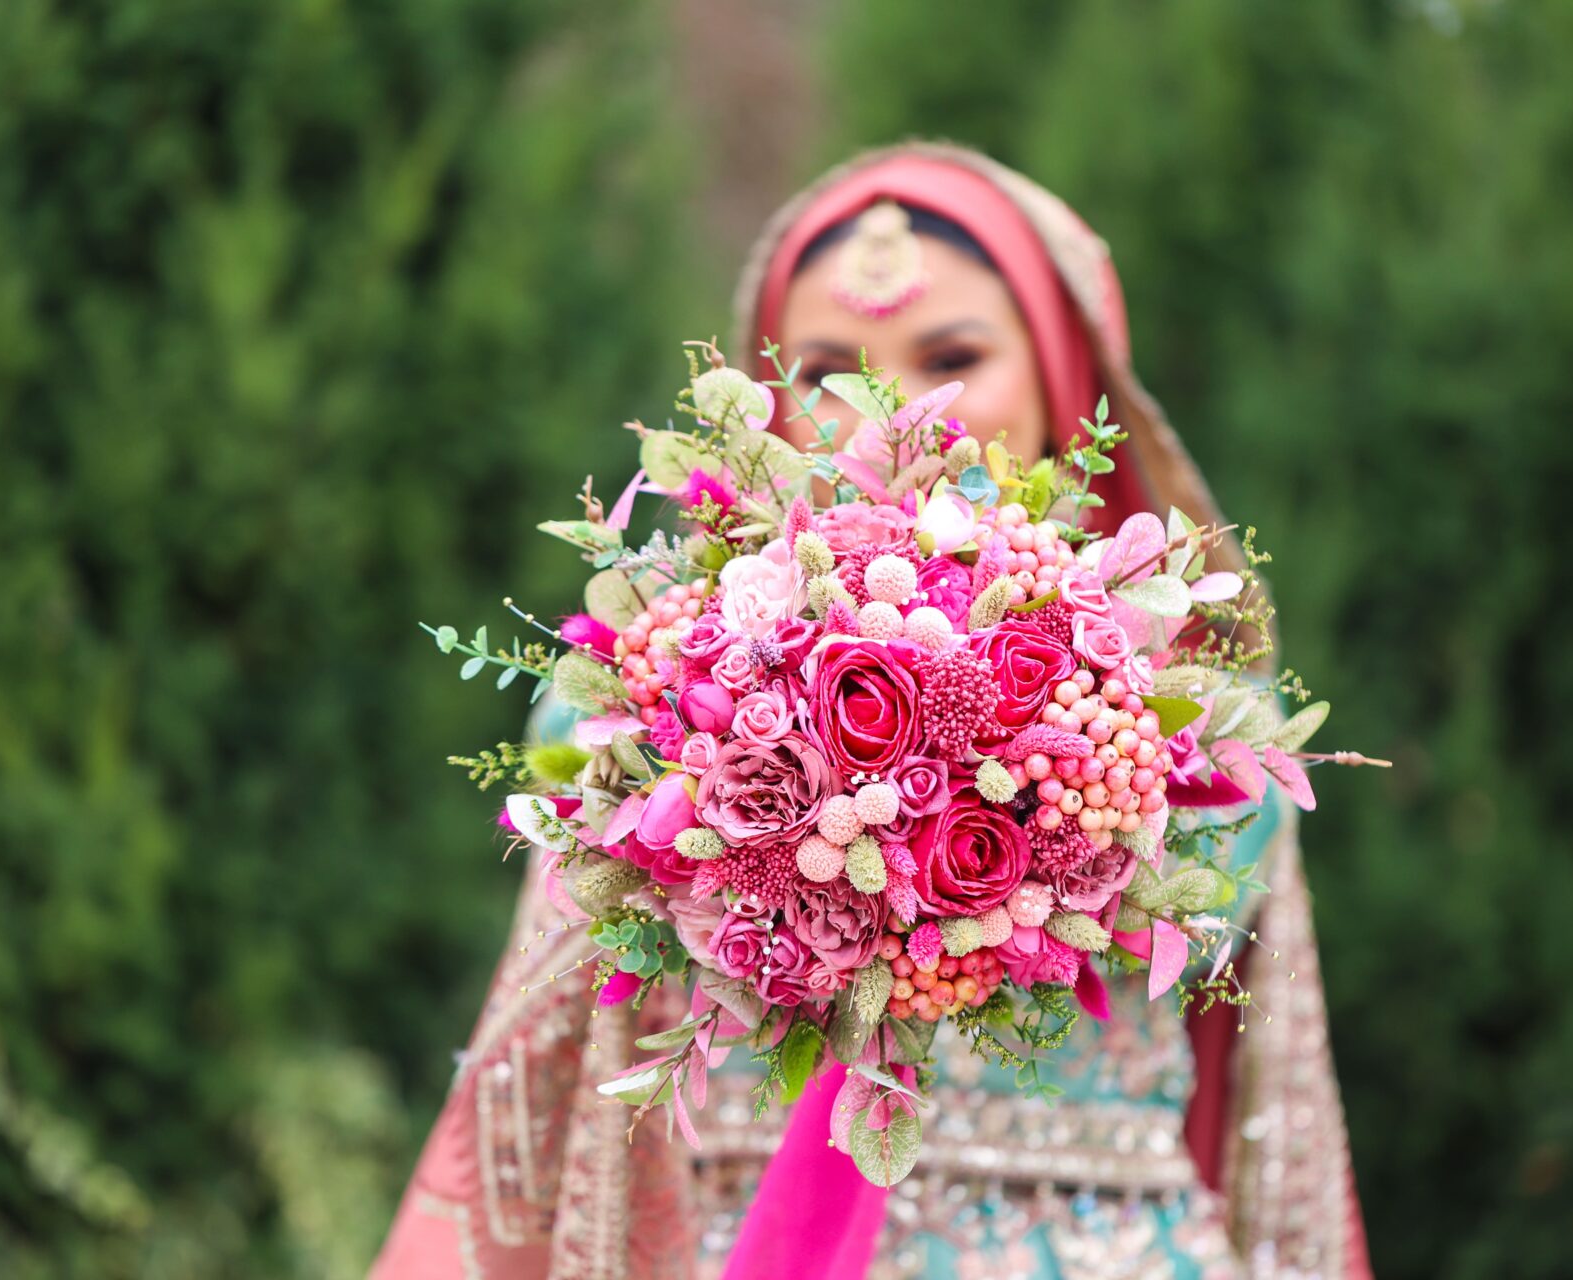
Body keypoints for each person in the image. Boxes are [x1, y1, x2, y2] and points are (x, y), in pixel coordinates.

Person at [373, 142, 1369, 1280]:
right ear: (763, 410)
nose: (893, 407)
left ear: (1062, 379)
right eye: (825, 368)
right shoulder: (638, 700)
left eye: (955, 355)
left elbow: (1272, 1102)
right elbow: (567, 1039)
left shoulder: (1198, 727)